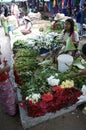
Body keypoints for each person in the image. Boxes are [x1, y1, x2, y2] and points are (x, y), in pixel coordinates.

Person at [0, 50, 17, 116]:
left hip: (2, 80)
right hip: (3, 81)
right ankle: (12, 111)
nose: (1, 53)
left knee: (3, 96)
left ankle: (6, 109)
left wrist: (4, 63)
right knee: (9, 95)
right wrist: (6, 67)